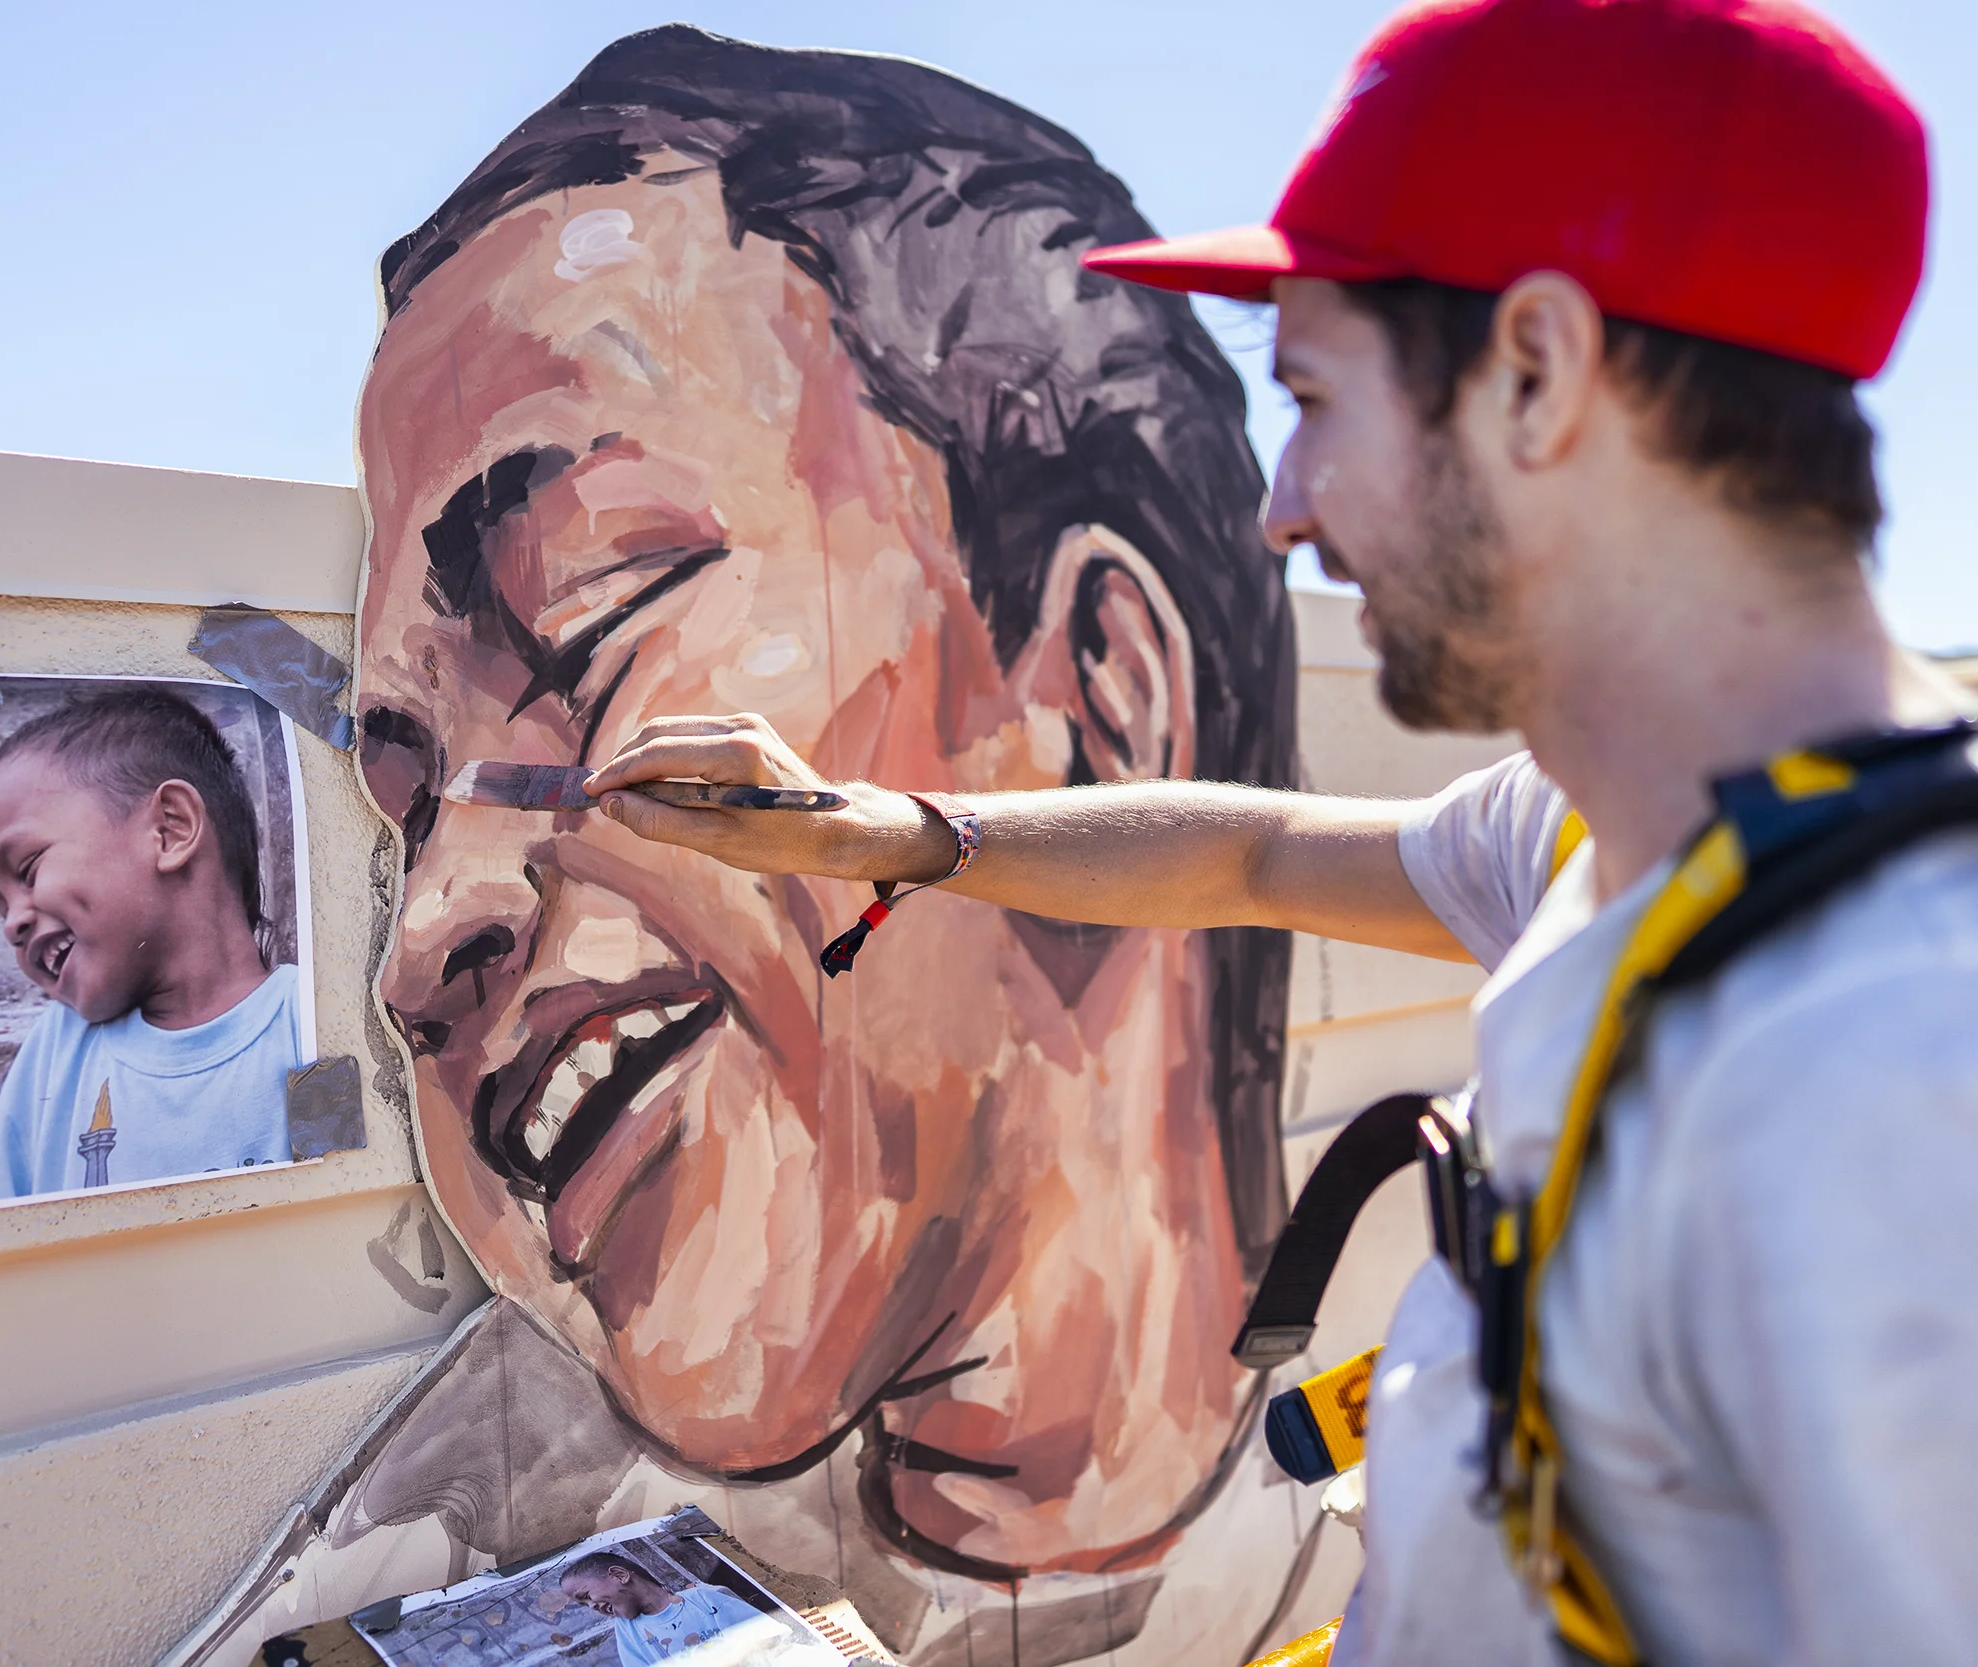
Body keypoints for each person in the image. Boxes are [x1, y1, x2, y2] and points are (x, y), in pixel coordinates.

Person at [586, 0, 1978, 1661]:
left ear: (1537, 376)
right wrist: (879, 829)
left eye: (1312, 397)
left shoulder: (1891, 1054)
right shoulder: (1611, 836)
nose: (1282, 504)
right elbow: (1252, 852)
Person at [342, 26, 1335, 1665]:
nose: (420, 928)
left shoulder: (1481, 1384)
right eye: (408, 800)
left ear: (1103, 693)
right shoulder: (421, 1549)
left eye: (591, 604)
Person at [0, 687, 301, 1204]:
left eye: (27, 870)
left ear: (169, 830)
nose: (12, 926)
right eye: (1, 908)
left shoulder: (307, 1021)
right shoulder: (56, 1052)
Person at [559, 1552, 774, 1667]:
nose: (592, 1606)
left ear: (619, 1575)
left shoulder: (704, 1599)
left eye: (587, 1596)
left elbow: (768, 1638)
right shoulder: (626, 1630)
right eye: (584, 1605)